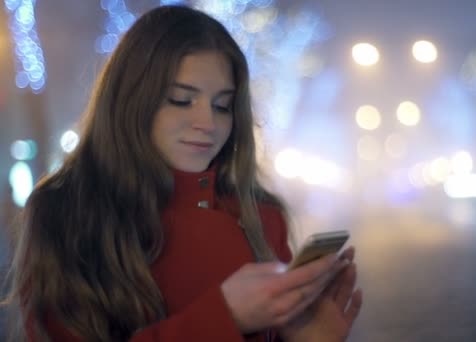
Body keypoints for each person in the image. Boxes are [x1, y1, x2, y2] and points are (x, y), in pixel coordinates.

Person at [2, 5, 362, 342]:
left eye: (222, 105)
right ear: (132, 99)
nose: (208, 122)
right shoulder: (66, 213)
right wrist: (224, 317)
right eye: (181, 99)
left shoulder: (261, 214)